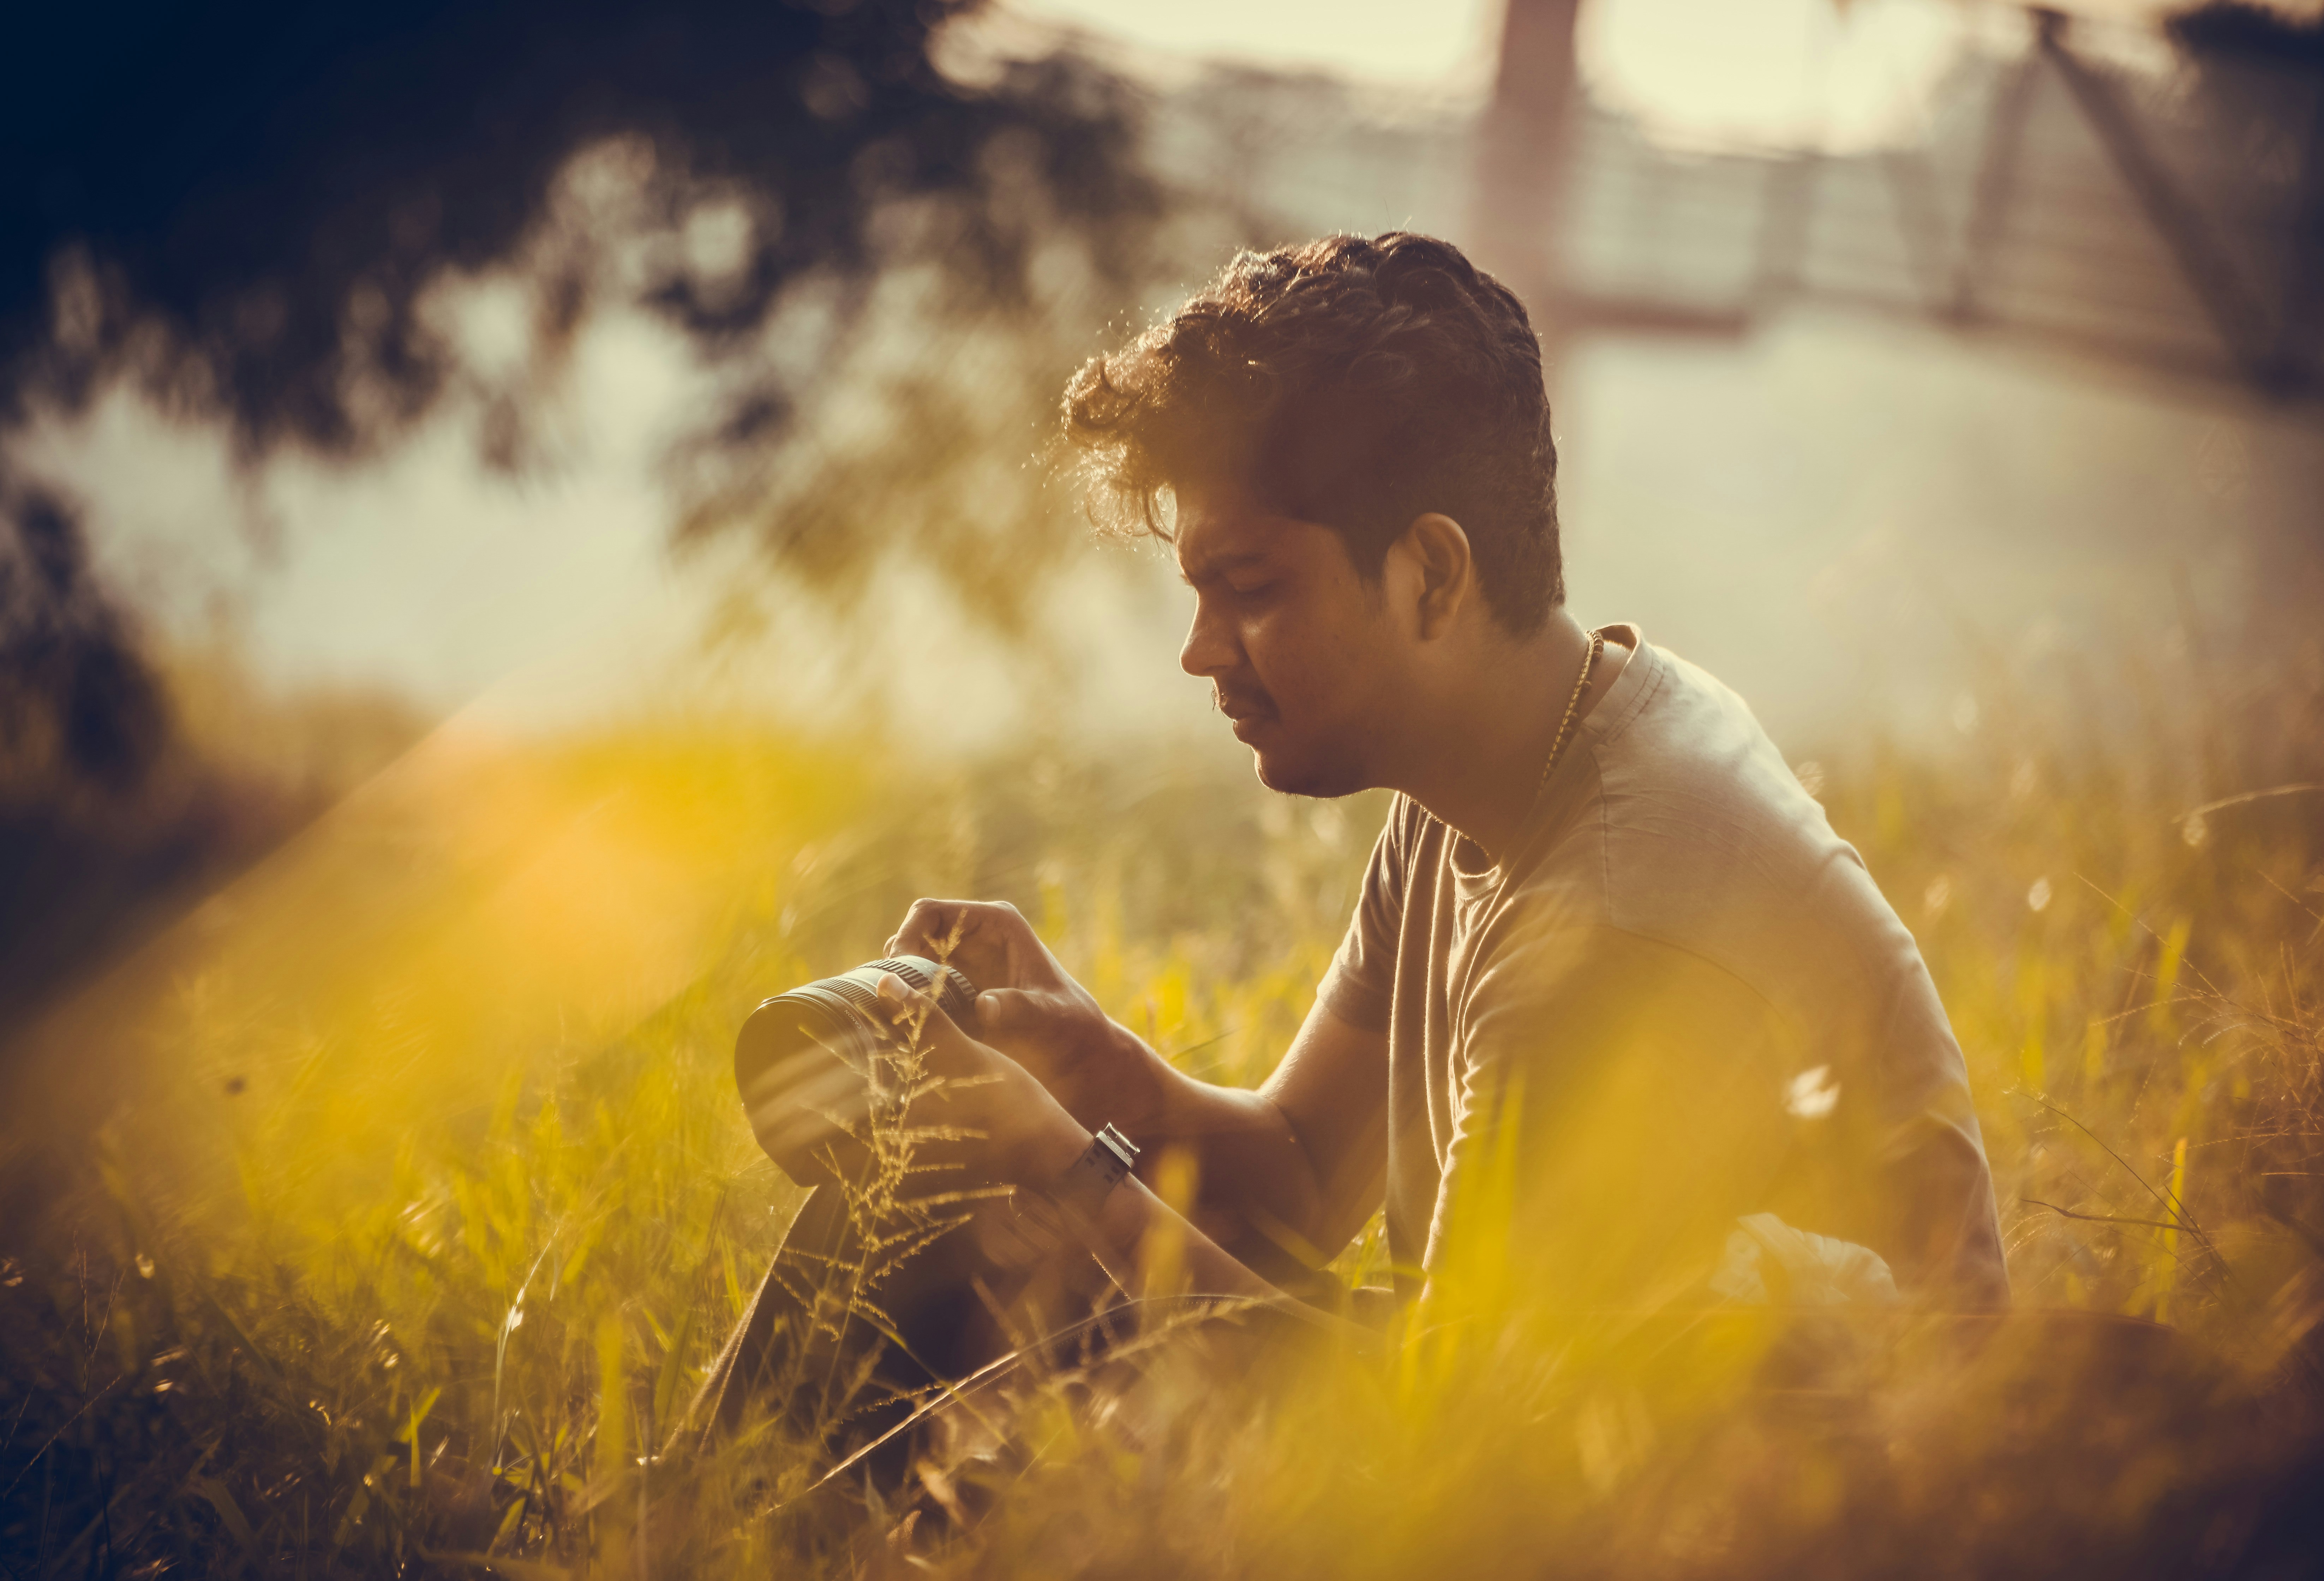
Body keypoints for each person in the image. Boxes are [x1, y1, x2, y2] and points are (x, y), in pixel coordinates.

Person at [790, 232, 2009, 1336]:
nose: (1202, 652)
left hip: (1778, 1496)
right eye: (1199, 595)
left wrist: (1065, 1167)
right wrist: (1103, 1077)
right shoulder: (1494, 762)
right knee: (950, 1193)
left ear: (1431, 574)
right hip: (1543, 1407)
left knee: (1014, 1220)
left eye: (1253, 591)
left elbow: (1427, 1456)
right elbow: (1309, 1175)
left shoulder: (1620, 916)